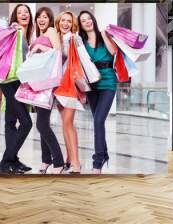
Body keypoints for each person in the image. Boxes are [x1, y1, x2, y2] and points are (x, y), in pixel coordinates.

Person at [77, 11, 118, 174]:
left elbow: (114, 52)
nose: (87, 22)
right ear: (80, 25)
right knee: (97, 120)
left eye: (88, 19)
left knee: (98, 120)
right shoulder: (81, 42)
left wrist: (105, 35)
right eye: (83, 20)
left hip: (108, 81)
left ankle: (98, 160)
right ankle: (104, 154)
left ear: (93, 20)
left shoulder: (104, 35)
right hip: (91, 84)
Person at [0, 4, 34, 174]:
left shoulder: (29, 34)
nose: (23, 14)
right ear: (15, 16)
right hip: (9, 80)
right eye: (19, 12)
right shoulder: (14, 30)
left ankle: (13, 160)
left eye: (26, 12)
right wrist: (12, 28)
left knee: (11, 122)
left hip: (19, 81)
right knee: (26, 123)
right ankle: (6, 161)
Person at [30, 7, 64, 174]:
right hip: (38, 83)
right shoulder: (38, 36)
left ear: (50, 20)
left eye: (45, 17)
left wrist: (40, 49)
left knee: (41, 124)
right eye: (39, 17)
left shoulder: (51, 31)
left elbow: (58, 52)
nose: (41, 19)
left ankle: (58, 161)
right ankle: (45, 160)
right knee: (43, 123)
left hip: (48, 84)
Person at [54, 11, 81, 174]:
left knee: (68, 123)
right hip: (58, 87)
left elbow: (82, 60)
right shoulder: (56, 38)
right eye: (63, 20)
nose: (65, 24)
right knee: (65, 124)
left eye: (69, 22)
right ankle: (69, 158)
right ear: (58, 22)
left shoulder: (74, 38)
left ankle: (76, 163)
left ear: (72, 24)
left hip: (71, 85)